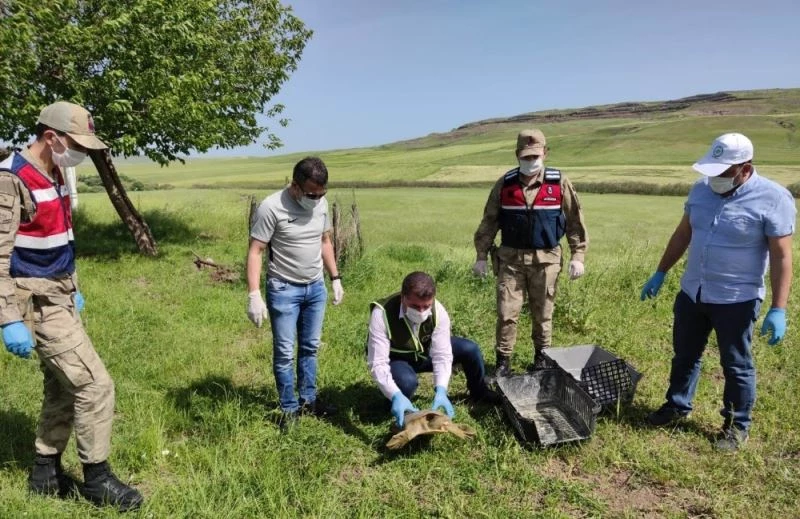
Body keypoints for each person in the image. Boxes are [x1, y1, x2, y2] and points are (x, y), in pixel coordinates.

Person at [0, 101, 143, 510]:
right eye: (76, 144)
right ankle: (97, 478)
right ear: (51, 137)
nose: (80, 152)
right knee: (95, 386)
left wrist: (73, 285)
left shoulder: (56, 170)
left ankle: (45, 474)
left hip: (61, 295)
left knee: (63, 386)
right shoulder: (11, 179)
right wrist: (8, 319)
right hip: (38, 302)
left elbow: (60, 236)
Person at [641, 133, 795, 452]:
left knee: (736, 364)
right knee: (685, 355)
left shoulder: (774, 198)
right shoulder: (700, 190)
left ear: (745, 168)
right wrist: (661, 271)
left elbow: (782, 256)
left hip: (737, 299)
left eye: (723, 172)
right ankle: (676, 406)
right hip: (693, 292)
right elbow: (683, 233)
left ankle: (737, 424)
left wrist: (778, 308)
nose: (714, 179)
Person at [472, 129, 588, 377]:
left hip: (546, 260)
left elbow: (574, 221)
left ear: (545, 153)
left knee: (543, 313)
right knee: (506, 313)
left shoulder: (559, 183)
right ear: (517, 155)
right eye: (526, 157)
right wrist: (481, 256)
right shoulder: (505, 184)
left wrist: (578, 256)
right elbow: (489, 221)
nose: (531, 161)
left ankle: (542, 358)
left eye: (535, 156)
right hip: (510, 261)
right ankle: (503, 362)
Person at [247, 156, 343, 432]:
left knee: (310, 347)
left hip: (315, 287)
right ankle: (289, 409)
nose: (317, 199)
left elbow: (325, 241)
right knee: (285, 353)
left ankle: (308, 401)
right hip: (284, 288)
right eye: (312, 194)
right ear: (295, 186)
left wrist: (335, 277)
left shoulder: (321, 203)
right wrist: (254, 294)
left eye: (322, 193)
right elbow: (256, 251)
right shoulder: (271, 207)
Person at [366, 271, 499, 428]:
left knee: (469, 348)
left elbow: (442, 354)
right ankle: (395, 403)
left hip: (424, 354)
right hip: (397, 359)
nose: (421, 312)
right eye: (415, 306)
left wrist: (441, 389)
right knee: (406, 382)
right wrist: (395, 395)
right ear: (403, 297)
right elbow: (378, 363)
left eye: (426, 306)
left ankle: (479, 393)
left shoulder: (438, 311)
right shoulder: (382, 313)